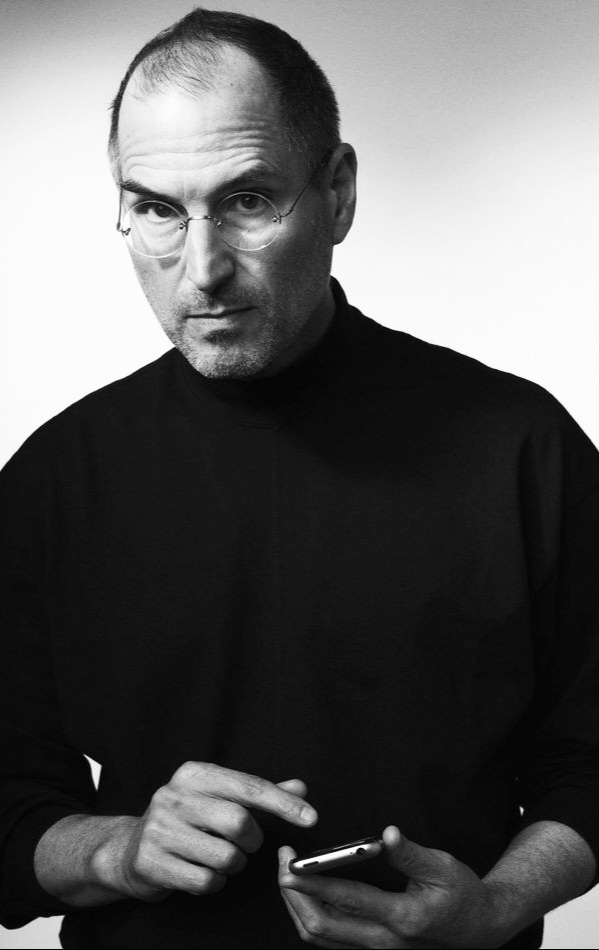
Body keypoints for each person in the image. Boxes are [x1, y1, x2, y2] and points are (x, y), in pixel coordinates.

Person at [0, 7, 597, 949]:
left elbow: (592, 762)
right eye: (157, 209)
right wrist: (118, 850)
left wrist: (495, 907)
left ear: (339, 193)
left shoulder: (523, 447)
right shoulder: (51, 478)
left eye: (247, 201)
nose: (202, 270)